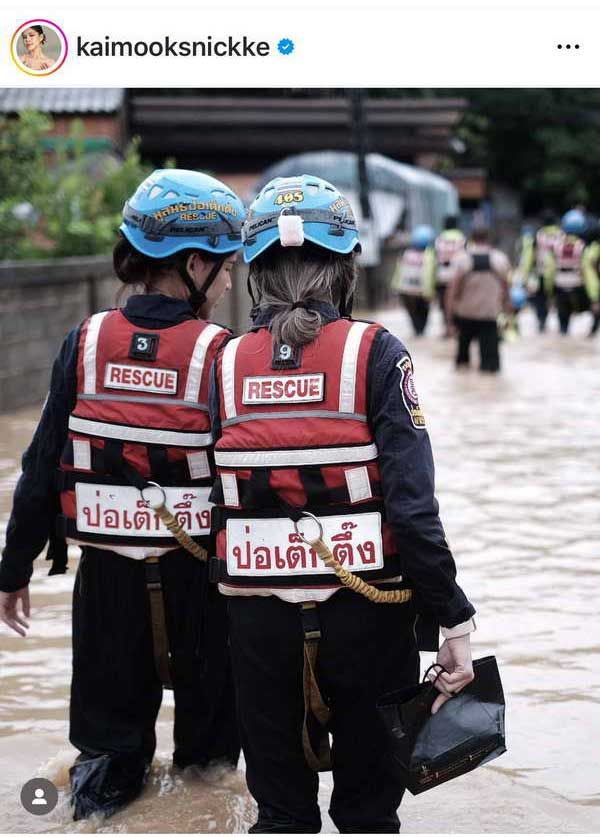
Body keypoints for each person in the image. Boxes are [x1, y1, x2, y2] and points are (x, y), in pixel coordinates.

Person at [208, 174, 476, 833]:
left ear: (254, 271)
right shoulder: (377, 353)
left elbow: (211, 507)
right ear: (346, 266)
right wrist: (456, 622)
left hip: (258, 631)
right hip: (371, 622)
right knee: (367, 813)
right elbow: (413, 512)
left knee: (280, 814)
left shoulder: (223, 363)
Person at [0, 169, 246, 819]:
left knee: (105, 763)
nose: (227, 283)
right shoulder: (219, 353)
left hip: (106, 584)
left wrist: (14, 566)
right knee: (213, 770)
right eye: (223, 268)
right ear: (192, 263)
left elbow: (42, 464)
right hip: (202, 591)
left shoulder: (82, 343)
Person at [445, 223, 512, 373]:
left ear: (472, 238)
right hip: (489, 316)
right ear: (488, 238)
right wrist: (509, 315)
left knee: (462, 364)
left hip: (465, 315)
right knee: (491, 367)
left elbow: (452, 292)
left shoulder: (461, 260)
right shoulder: (500, 260)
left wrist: (449, 319)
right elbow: (506, 291)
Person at [545, 209, 591, 334]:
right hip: (578, 286)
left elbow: (550, 270)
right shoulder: (583, 246)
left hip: (559, 285)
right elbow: (588, 271)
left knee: (563, 324)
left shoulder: (556, 246)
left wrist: (549, 290)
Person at [390, 224, 436, 336]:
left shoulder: (406, 254)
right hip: (421, 292)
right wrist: (430, 292)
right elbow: (429, 276)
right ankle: (420, 332)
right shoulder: (429, 256)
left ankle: (417, 331)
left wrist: (395, 288)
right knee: (423, 316)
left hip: (406, 291)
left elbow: (398, 273)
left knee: (413, 316)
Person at [434, 215, 466, 336]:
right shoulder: (462, 238)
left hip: (442, 276)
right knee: (458, 301)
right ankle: (457, 328)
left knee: (443, 303)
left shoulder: (440, 239)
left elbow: (436, 258)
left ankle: (447, 328)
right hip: (458, 275)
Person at [581, 219, 600, 337]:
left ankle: (592, 331)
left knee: (596, 309)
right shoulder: (594, 247)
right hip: (593, 283)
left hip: (593, 283)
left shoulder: (591, 247)